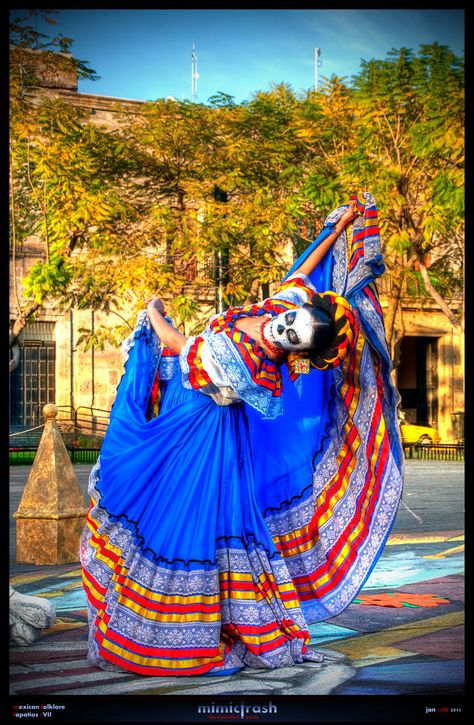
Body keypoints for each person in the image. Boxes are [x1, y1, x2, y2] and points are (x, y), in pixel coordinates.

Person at [80, 192, 404, 677]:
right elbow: (299, 274)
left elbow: (180, 345)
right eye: (288, 321)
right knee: (170, 511)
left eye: (291, 335)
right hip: (192, 415)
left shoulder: (252, 363)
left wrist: (152, 312)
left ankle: (171, 633)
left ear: (296, 351)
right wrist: (338, 229)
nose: (282, 328)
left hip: (198, 433)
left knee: (178, 518)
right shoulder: (280, 310)